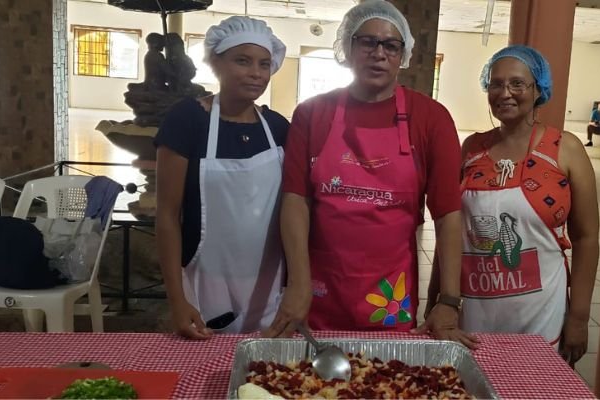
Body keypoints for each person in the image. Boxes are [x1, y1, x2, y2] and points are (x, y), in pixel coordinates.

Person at [263, 0, 474, 348]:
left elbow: (448, 214)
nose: (379, 53)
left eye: (391, 45)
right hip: (317, 290)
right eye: (367, 42)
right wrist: (298, 284)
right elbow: (295, 200)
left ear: (402, 54)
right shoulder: (313, 114)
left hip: (390, 297)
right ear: (348, 46)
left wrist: (449, 300)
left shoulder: (431, 118)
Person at [451, 45, 599, 365]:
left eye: (517, 83)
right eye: (495, 83)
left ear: (538, 90)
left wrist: (578, 317)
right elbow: (452, 230)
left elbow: (587, 238)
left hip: (543, 311)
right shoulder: (471, 149)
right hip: (478, 310)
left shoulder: (565, 149)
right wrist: (442, 300)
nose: (505, 92)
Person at [155, 16, 289, 338]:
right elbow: (167, 216)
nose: (256, 73)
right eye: (242, 61)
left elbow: (293, 211)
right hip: (204, 289)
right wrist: (178, 299)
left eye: (264, 64)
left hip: (269, 288)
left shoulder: (279, 128)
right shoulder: (188, 121)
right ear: (217, 62)